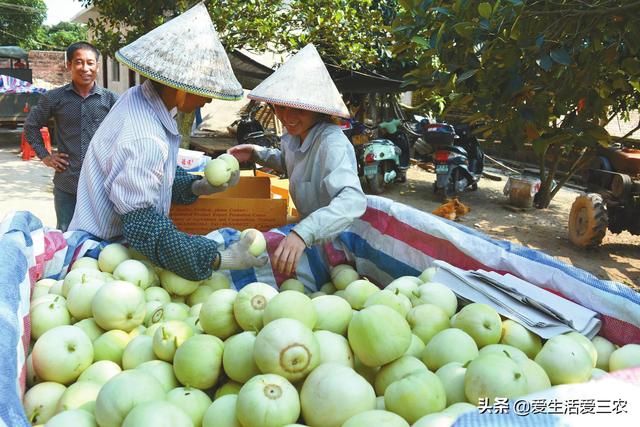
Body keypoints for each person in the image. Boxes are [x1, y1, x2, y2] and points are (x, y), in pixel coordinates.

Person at [68, 3, 264, 281]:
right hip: (105, 253)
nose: (208, 99)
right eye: (205, 91)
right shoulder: (145, 136)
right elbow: (144, 226)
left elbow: (155, 176)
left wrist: (198, 185)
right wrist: (218, 257)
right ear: (181, 89)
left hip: (123, 250)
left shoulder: (138, 98)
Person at [228, 44, 367, 276]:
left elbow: (352, 200)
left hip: (335, 243)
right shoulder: (294, 137)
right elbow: (290, 162)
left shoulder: (331, 143)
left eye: (299, 110)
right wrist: (256, 152)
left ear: (319, 110)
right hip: (306, 238)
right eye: (280, 108)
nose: (287, 117)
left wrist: (304, 232)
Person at [24, 42, 118, 231]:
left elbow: (125, 133)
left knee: (102, 236)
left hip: (101, 185)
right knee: (66, 236)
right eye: (79, 62)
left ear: (97, 66)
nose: (85, 68)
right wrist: (45, 156)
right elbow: (31, 126)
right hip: (67, 184)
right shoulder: (54, 98)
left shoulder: (111, 100)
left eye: (90, 63)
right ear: (69, 65)